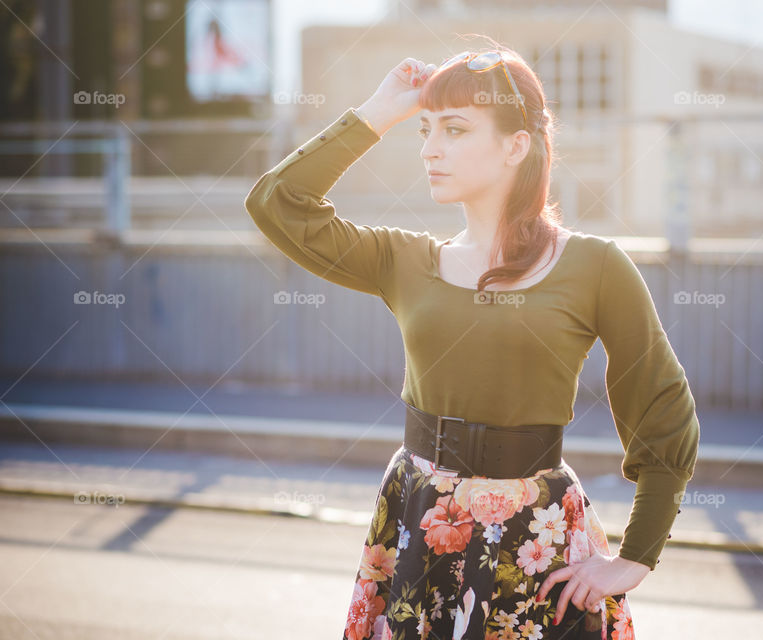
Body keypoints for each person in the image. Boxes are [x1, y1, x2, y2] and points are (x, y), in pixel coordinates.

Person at [244, 39, 699, 640]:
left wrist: (635, 556)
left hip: (537, 538)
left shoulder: (596, 266)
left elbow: (661, 406)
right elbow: (277, 204)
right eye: (424, 130)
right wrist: (380, 112)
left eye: (454, 130)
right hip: (418, 522)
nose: (430, 149)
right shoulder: (404, 260)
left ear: (517, 145)